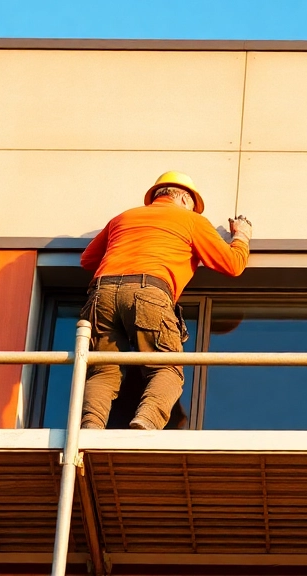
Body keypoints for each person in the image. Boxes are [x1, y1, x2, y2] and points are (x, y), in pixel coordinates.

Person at [79, 172, 252, 430]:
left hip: (100, 294)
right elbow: (233, 264)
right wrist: (242, 237)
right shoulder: (191, 220)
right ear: (183, 197)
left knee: (103, 371)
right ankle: (147, 421)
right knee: (167, 368)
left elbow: (88, 261)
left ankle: (89, 429)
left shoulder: (123, 218)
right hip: (150, 292)